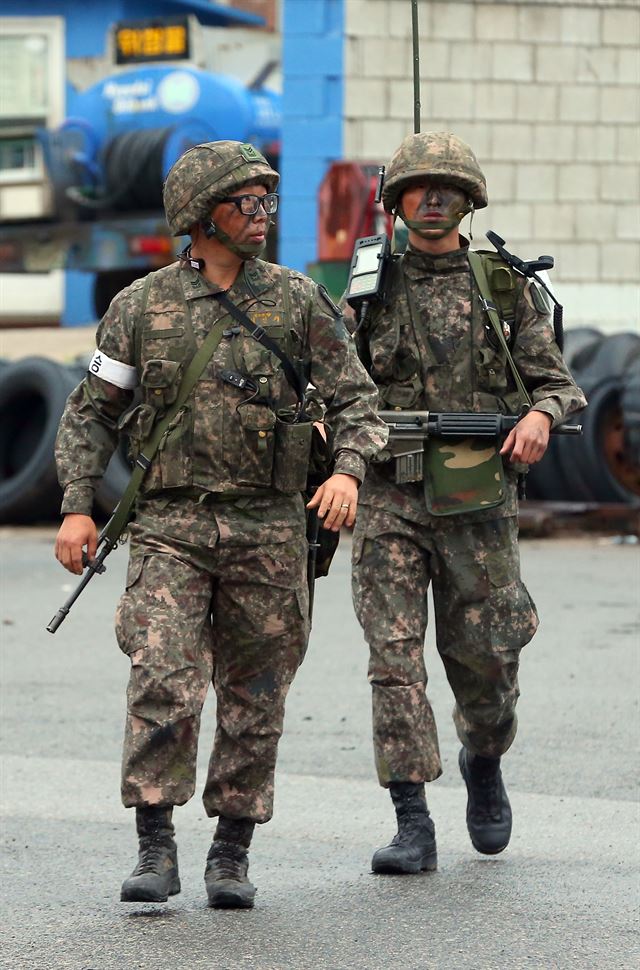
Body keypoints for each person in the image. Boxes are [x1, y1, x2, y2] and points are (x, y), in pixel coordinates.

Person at [53, 140, 387, 908]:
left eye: (268, 201)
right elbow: (91, 413)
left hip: (269, 528)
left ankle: (232, 851)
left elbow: (359, 403)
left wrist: (346, 470)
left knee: (255, 693)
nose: (264, 215)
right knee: (162, 677)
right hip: (170, 525)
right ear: (203, 217)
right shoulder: (139, 307)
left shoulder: (301, 302)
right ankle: (156, 845)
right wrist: (77, 505)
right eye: (248, 203)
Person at [349, 131, 587, 874]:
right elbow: (332, 383)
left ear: (470, 200)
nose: (431, 200)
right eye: (416, 189)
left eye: (446, 188)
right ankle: (411, 817)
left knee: (488, 661)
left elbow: (557, 384)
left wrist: (540, 420)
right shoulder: (366, 288)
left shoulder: (505, 287)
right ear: (395, 202)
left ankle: (484, 759)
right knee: (394, 662)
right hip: (390, 497)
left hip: (478, 502)